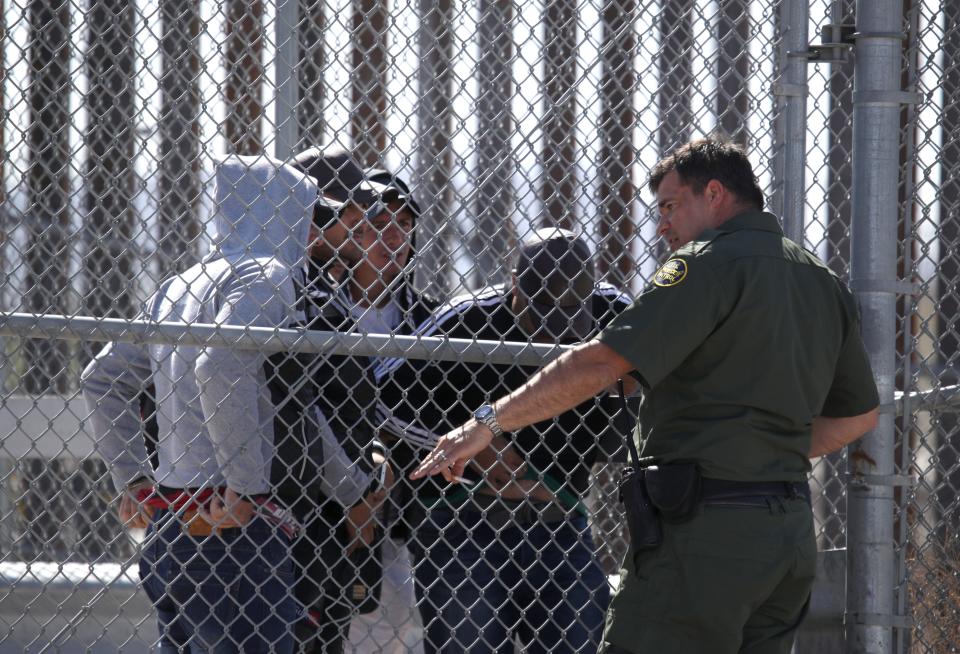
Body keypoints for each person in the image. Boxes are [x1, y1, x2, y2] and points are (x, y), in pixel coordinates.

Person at [411, 136, 881, 654]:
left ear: (716, 195)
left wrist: (487, 423)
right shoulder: (820, 279)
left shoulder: (705, 265)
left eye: (670, 207)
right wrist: (762, 451)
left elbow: (601, 362)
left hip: (706, 536)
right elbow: (858, 415)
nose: (662, 226)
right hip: (787, 536)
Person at [81, 154, 385, 653]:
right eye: (309, 209)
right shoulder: (268, 275)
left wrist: (133, 479)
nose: (315, 226)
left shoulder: (180, 283)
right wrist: (245, 488)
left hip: (171, 525)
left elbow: (102, 378)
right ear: (286, 210)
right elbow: (219, 366)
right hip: (233, 528)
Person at [376, 228, 632, 653]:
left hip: (559, 514)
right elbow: (382, 398)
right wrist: (483, 448)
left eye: (571, 316)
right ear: (514, 285)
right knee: (468, 639)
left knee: (580, 638)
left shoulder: (614, 311)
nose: (555, 334)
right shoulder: (466, 317)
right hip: (460, 517)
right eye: (542, 315)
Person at [291, 147, 432, 653]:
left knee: (396, 632)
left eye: (404, 222)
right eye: (376, 220)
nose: (392, 235)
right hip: (320, 498)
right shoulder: (310, 308)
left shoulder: (430, 321)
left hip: (402, 514)